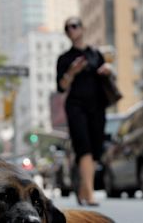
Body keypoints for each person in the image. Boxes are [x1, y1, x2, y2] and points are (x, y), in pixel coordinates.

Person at [56, 17, 112, 206]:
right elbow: (61, 87)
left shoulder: (96, 54)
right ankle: (90, 193)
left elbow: (108, 77)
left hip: (97, 106)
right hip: (76, 107)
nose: (71, 30)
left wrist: (107, 70)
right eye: (67, 28)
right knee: (84, 147)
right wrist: (72, 72)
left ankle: (82, 188)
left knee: (95, 149)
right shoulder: (64, 58)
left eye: (74, 26)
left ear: (82, 28)